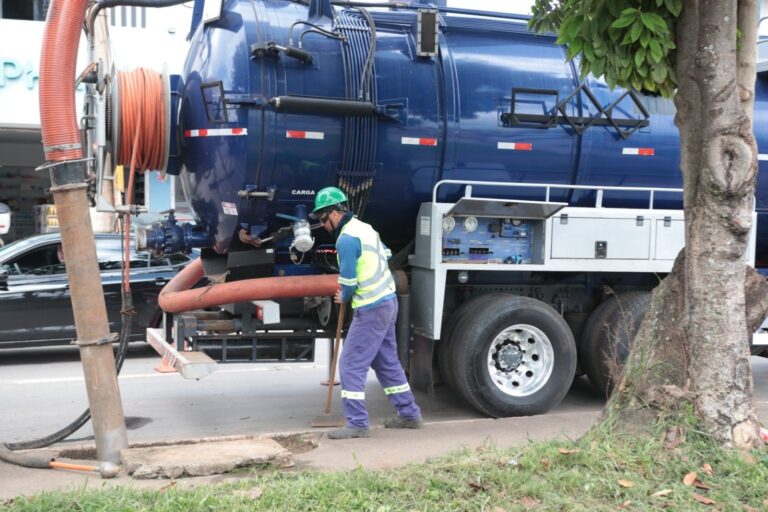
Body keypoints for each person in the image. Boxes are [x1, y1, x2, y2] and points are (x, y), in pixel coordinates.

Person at [311, 186, 422, 439]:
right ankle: (409, 414)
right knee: (386, 362)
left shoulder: (346, 239)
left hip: (371, 307)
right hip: (387, 302)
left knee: (350, 364)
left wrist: (344, 296)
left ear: (335, 213)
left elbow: (348, 280)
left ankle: (357, 423)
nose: (322, 224)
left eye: (322, 218)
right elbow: (387, 253)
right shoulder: (366, 228)